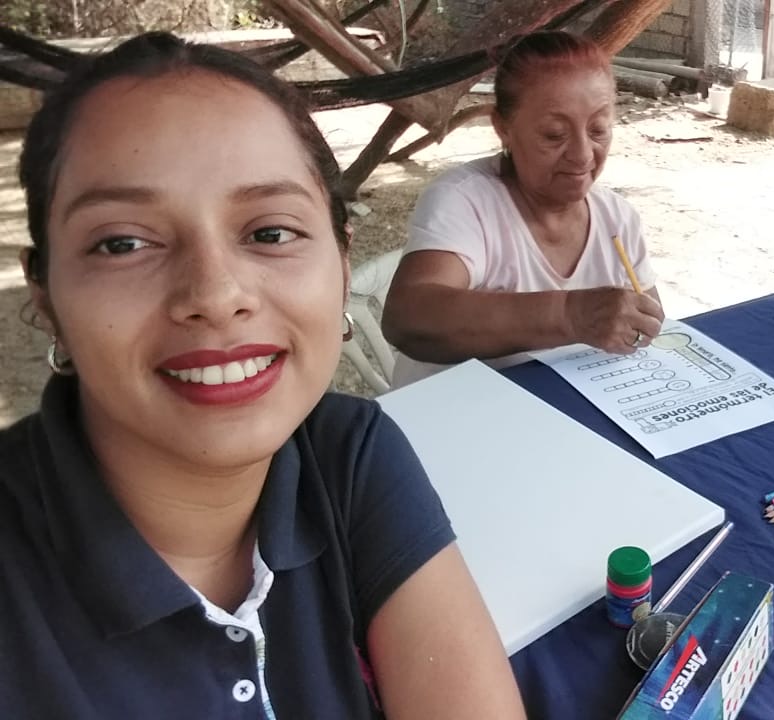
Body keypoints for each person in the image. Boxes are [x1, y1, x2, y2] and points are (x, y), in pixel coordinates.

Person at [1, 33, 524, 718]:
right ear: (46, 297)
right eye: (123, 243)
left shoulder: (347, 453)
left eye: (270, 233)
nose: (216, 295)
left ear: (342, 265)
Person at [382, 31, 664, 388]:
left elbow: (647, 325)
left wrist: (635, 325)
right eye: (554, 134)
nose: (582, 155)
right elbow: (410, 318)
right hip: (454, 409)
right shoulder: (466, 202)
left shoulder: (617, 218)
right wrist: (569, 314)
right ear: (504, 128)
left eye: (598, 130)